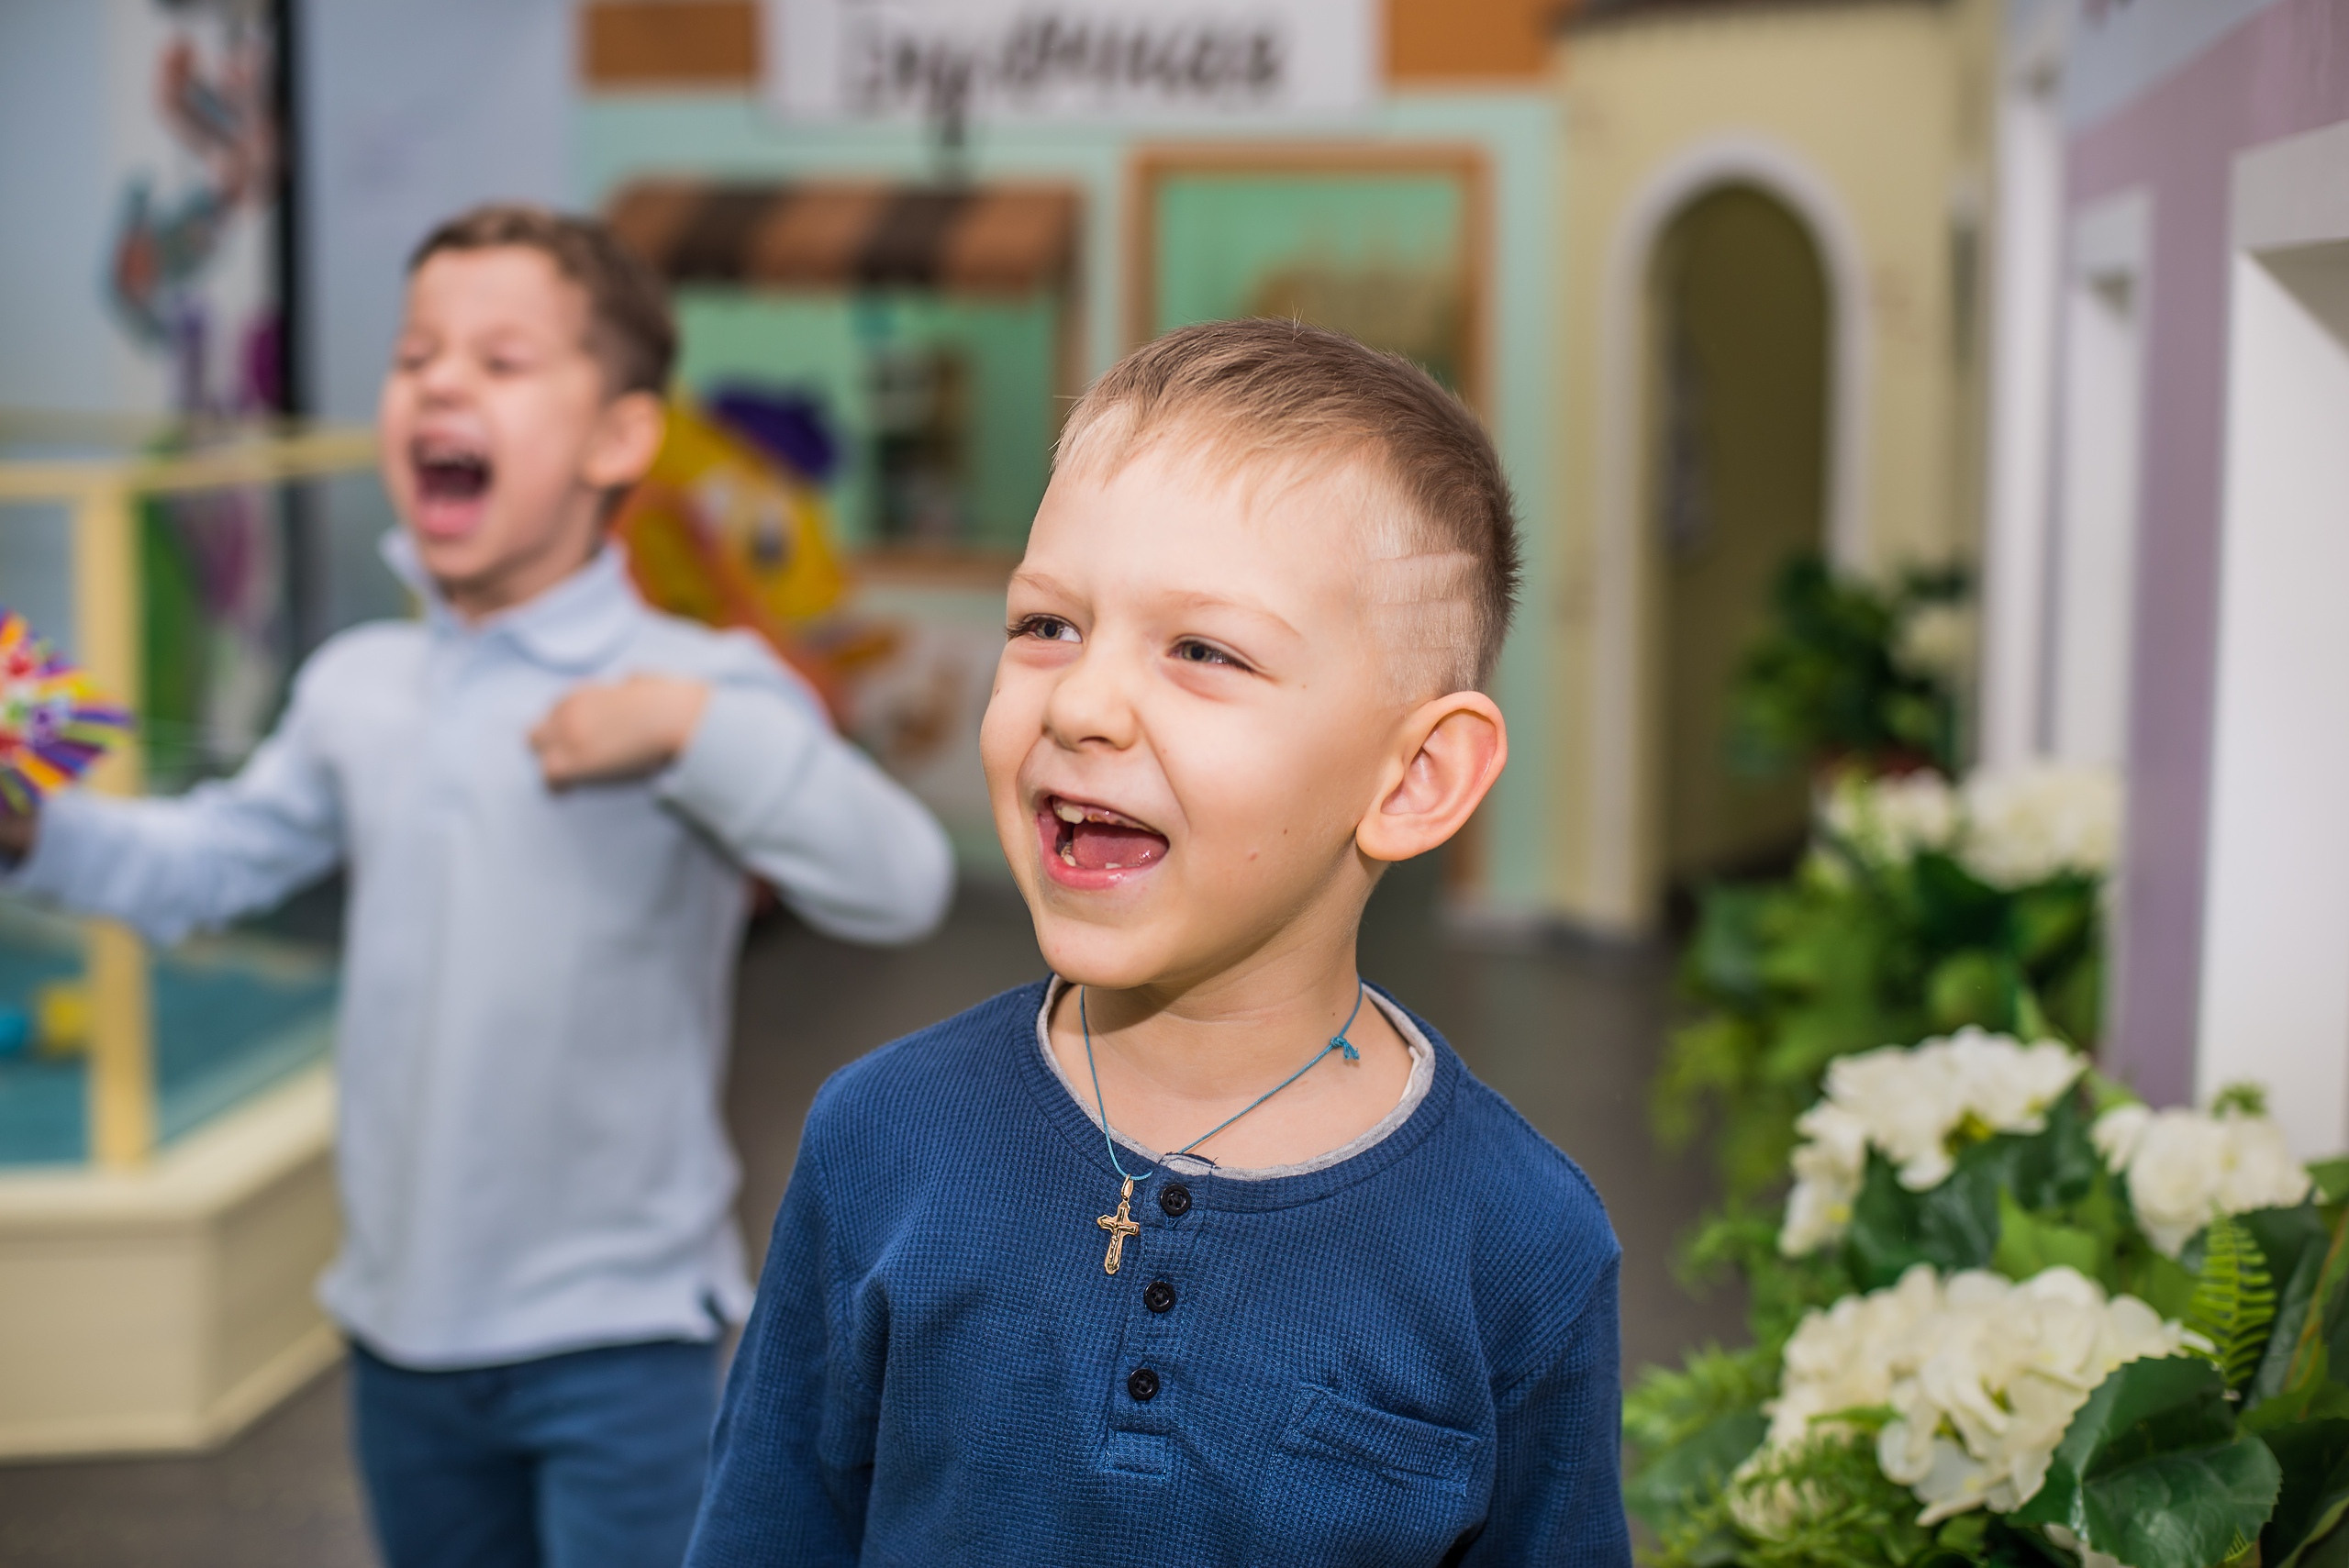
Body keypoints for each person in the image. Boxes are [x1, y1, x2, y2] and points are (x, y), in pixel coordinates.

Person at [0, 205, 954, 1568]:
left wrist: (686, 731)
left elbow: (900, 882)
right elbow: (201, 865)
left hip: (619, 1339)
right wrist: (28, 827)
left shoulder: (696, 684)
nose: (441, 381)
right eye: (414, 355)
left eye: (501, 360)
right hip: (398, 1338)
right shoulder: (355, 686)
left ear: (621, 437)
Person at [685, 319, 1629, 1565]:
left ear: (1414, 777)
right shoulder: (880, 1138)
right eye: (1047, 626)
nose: (1079, 702)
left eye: (1203, 650)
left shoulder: (1520, 1244)